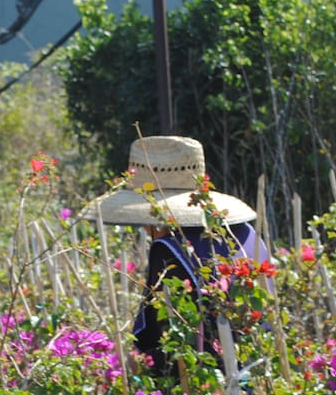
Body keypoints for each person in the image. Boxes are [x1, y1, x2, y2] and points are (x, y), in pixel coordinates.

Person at [82, 135, 268, 381]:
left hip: (204, 388)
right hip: (256, 377)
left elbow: (164, 342)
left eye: (148, 219)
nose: (145, 229)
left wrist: (131, 364)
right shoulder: (245, 233)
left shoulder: (169, 251)